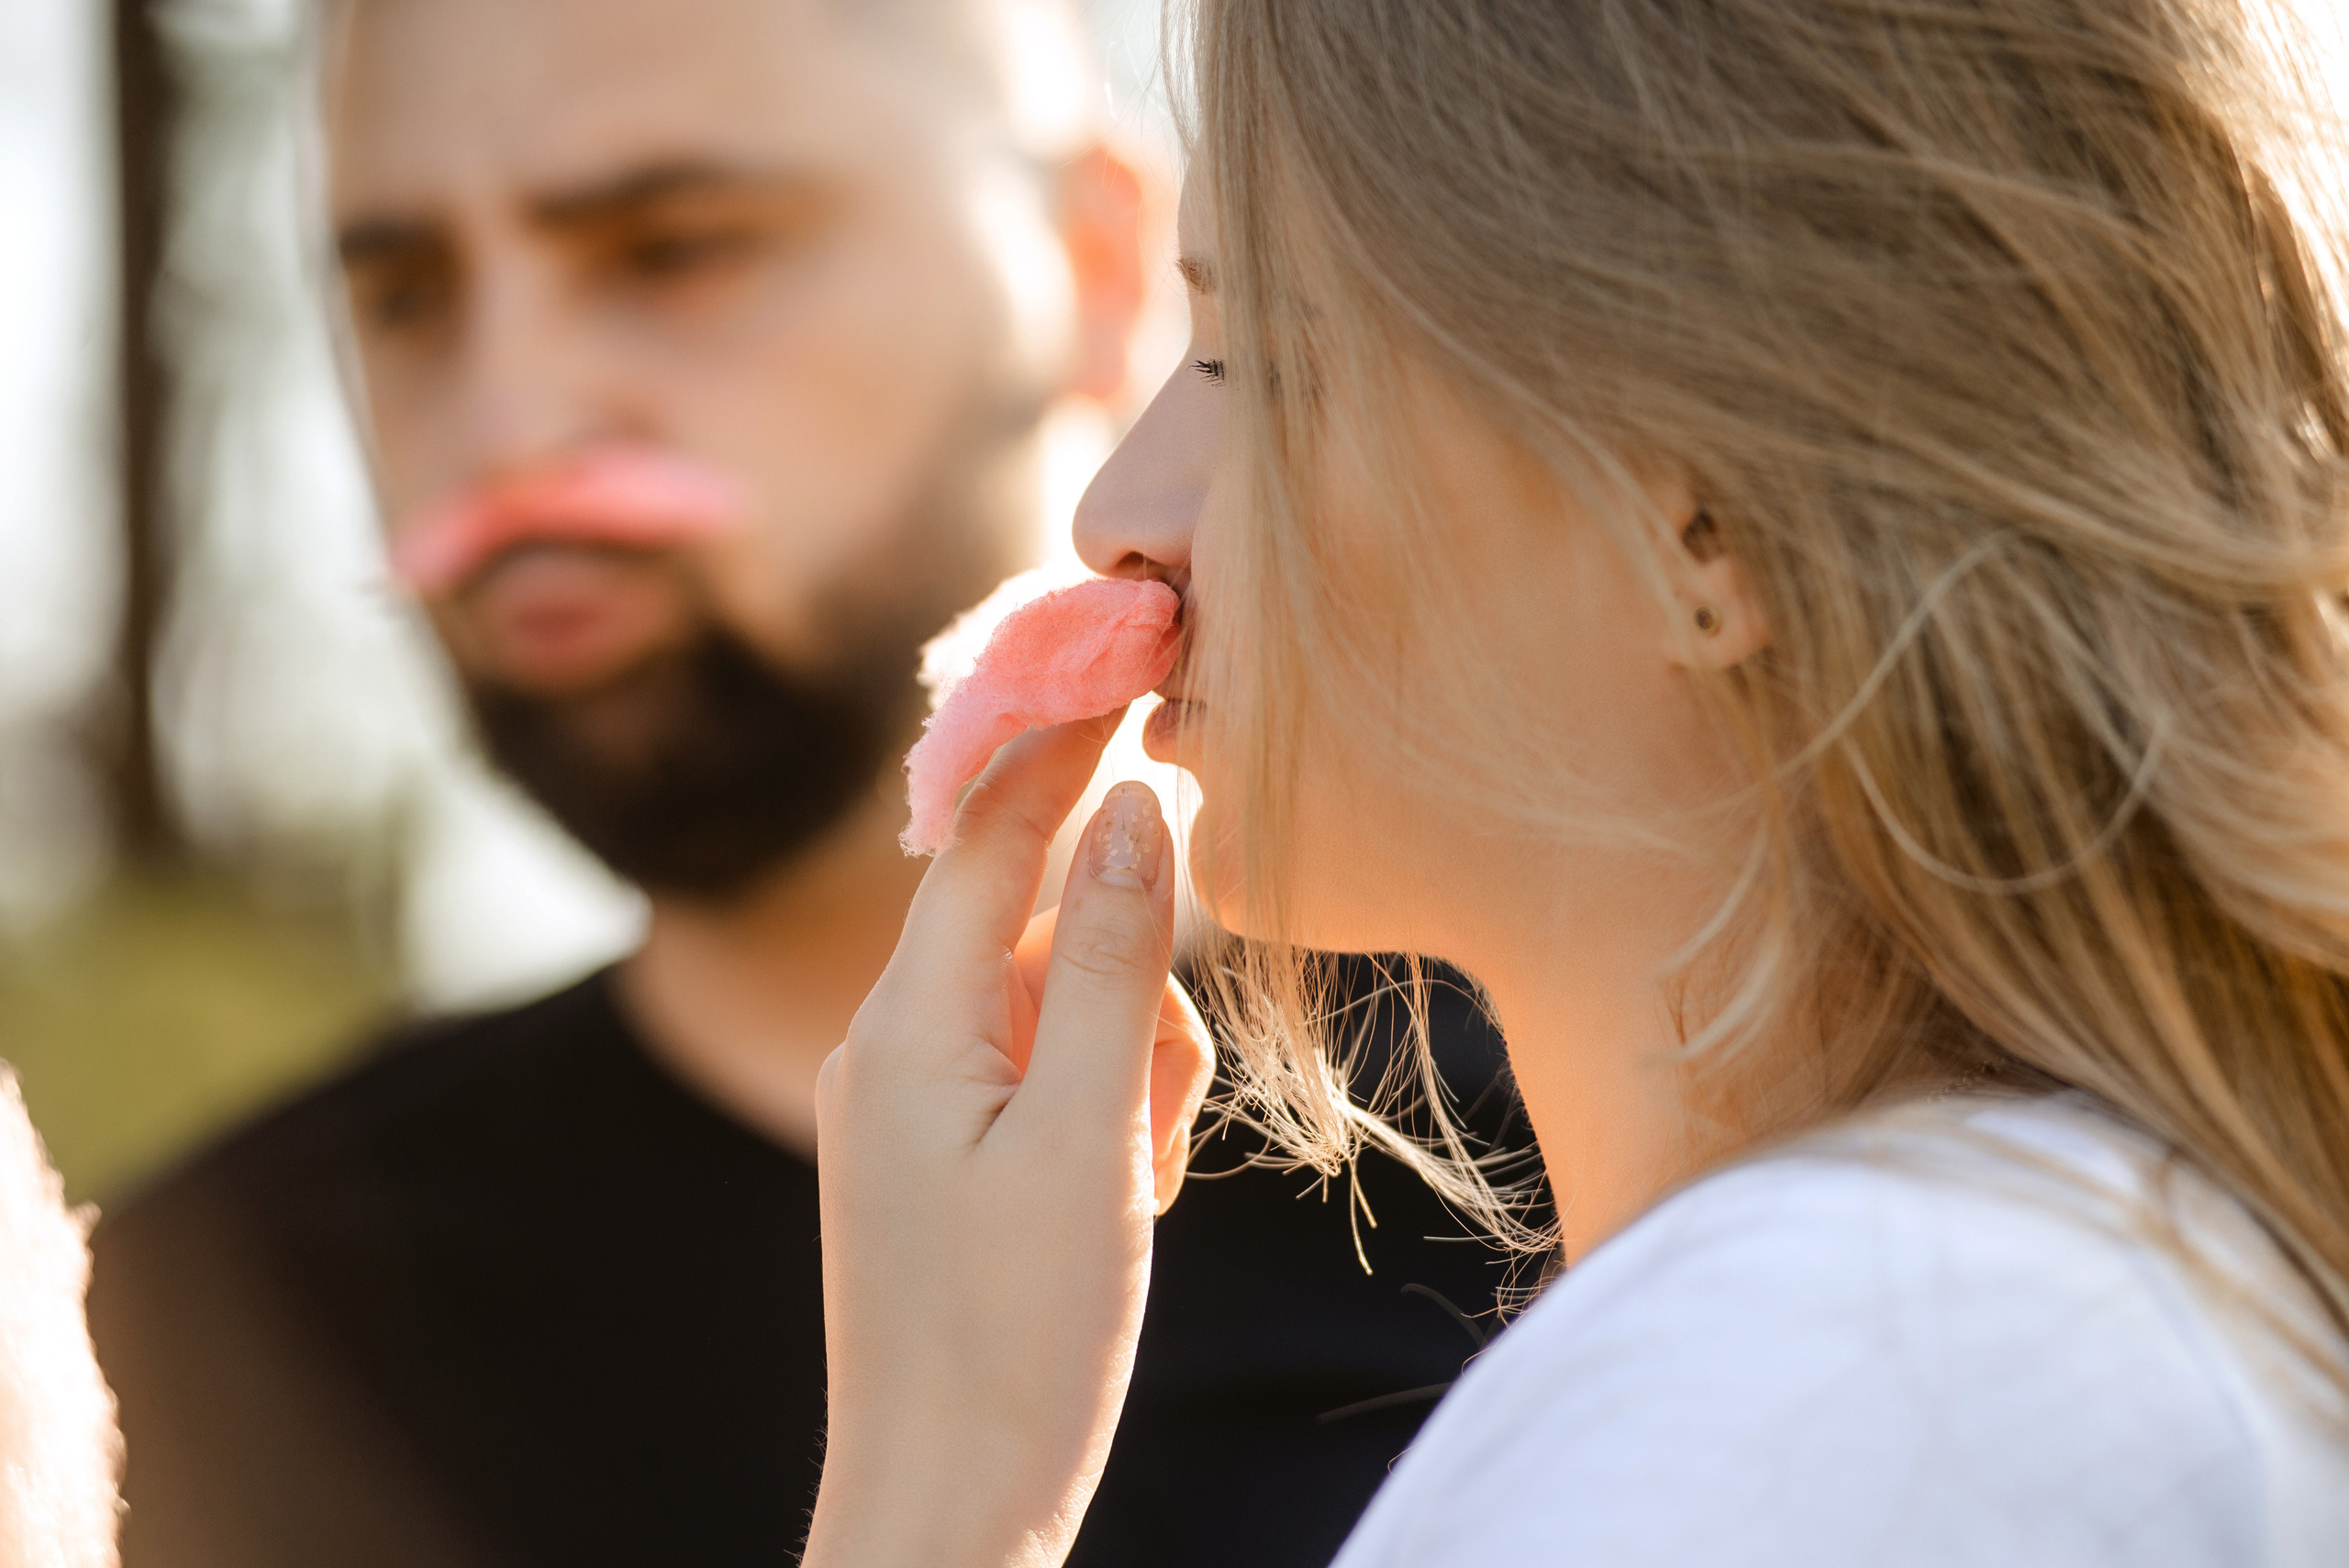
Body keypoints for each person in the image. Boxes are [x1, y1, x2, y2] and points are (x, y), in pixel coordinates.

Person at [802, 0, 2349, 1562]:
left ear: (1709, 516)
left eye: (1251, 359)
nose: (1114, 514)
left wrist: (938, 1490)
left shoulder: (1838, 1370)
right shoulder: (2012, 1299)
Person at [83, 1, 1525, 1563]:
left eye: (676, 249)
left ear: (1096, 271)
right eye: (408, 295)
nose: (507, 424)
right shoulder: (163, 1354)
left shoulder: (1598, 1182)